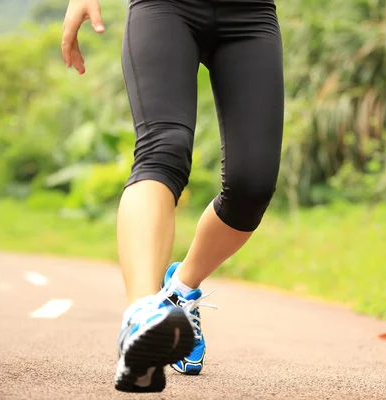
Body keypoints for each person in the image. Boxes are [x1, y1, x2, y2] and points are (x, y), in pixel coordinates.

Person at [61, 0, 284, 393]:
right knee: (162, 149)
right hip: (164, 7)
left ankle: (179, 290)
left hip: (251, 14)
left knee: (252, 186)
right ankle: (141, 318)